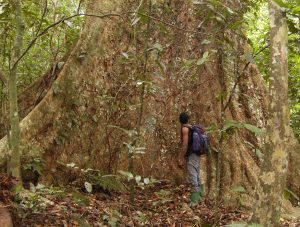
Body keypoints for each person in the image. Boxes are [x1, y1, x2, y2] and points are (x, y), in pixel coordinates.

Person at [178, 112, 204, 206]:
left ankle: (194, 200)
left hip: (191, 155)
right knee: (197, 175)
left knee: (193, 176)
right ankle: (201, 197)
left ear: (180, 120)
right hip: (196, 154)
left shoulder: (185, 129)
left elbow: (185, 145)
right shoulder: (192, 127)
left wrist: (180, 157)